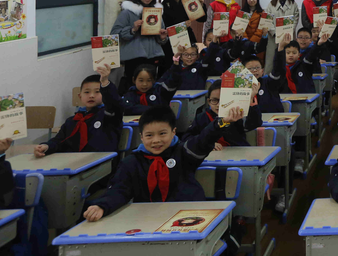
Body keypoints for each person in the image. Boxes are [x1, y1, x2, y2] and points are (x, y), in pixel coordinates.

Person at [82, 104, 245, 220]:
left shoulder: (183, 152)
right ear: (141, 137)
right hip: (147, 219)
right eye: (149, 135)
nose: (156, 140)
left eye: (162, 134)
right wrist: (102, 206)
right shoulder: (131, 162)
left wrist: (221, 123)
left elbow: (203, 140)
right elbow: (119, 190)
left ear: (174, 132)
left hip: (187, 216)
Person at [35, 65, 122, 156]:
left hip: (101, 161)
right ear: (80, 96)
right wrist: (46, 146)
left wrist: (105, 83)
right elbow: (58, 141)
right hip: (74, 161)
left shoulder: (108, 115)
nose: (91, 95)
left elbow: (115, 104)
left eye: (97, 91)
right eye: (87, 92)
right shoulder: (72, 121)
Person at [111, 0, 169, 93]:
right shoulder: (127, 12)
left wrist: (162, 37)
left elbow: (162, 39)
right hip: (133, 57)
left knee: (150, 87)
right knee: (132, 87)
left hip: (153, 55)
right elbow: (114, 34)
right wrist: (132, 29)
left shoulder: (156, 12)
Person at [183, 80, 261, 147]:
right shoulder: (201, 117)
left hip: (237, 155)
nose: (219, 105)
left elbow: (254, 123)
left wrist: (251, 101)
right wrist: (206, 143)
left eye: (223, 100)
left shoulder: (236, 115)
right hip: (212, 157)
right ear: (208, 102)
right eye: (214, 100)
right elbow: (186, 138)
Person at [160, 0, 206, 76]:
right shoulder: (162, 6)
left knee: (190, 66)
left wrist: (201, 6)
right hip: (171, 43)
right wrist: (182, 25)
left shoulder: (187, 4)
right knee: (172, 68)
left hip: (188, 39)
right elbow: (165, 26)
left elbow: (202, 19)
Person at [264, 0, 300, 74]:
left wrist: (288, 31)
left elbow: (295, 19)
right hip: (273, 38)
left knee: (289, 60)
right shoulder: (271, 4)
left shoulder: (293, 4)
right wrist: (276, 33)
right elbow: (268, 20)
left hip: (289, 37)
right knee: (271, 61)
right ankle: (269, 80)